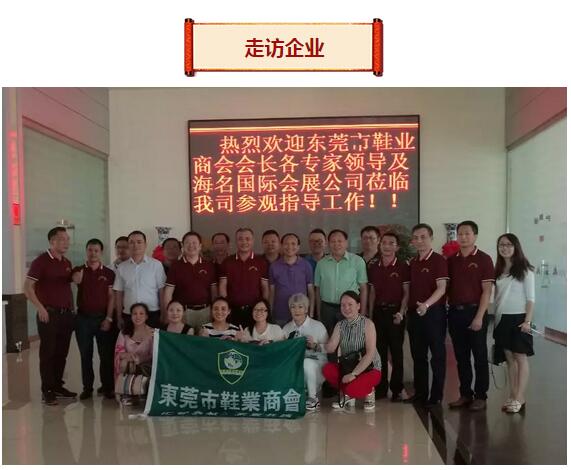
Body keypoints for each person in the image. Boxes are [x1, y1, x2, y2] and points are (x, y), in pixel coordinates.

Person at [24, 226, 77, 405]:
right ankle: (47, 390)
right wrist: (40, 308)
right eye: (62, 239)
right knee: (48, 353)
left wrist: (72, 310)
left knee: (62, 353)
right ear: (52, 241)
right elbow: (27, 288)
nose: (66, 242)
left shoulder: (66, 262)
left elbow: (66, 288)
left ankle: (57, 386)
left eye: (67, 239)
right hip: (49, 314)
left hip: (66, 315)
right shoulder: (41, 261)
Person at [447, 221, 495, 411]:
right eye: (460, 234)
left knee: (480, 356)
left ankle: (481, 395)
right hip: (455, 313)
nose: (463, 237)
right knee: (461, 357)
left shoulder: (484, 259)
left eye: (467, 233)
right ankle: (465, 394)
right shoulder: (451, 260)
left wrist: (479, 317)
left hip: (476, 312)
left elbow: (487, 291)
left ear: (475, 236)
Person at [405, 223, 449, 408]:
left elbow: (442, 288)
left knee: (437, 355)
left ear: (431, 238)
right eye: (416, 238)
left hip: (434, 314)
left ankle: (436, 395)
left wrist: (427, 305)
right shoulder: (413, 262)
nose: (419, 241)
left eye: (423, 237)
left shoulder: (438, 260)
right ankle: (420, 393)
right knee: (418, 356)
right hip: (415, 314)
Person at [493, 233, 535, 414]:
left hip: (520, 319)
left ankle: (520, 397)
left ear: (516, 247)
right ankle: (513, 395)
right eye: (501, 245)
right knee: (509, 359)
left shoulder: (525, 270)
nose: (505, 248)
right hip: (502, 318)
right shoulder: (498, 270)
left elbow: (531, 299)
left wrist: (527, 321)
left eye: (509, 245)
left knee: (520, 357)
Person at [71, 239, 117, 400]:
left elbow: (111, 297)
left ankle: (107, 387)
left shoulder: (109, 273)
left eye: (96, 250)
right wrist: (78, 275)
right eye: (90, 250)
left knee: (106, 355)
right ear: (86, 251)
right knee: (86, 355)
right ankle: (87, 388)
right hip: (83, 319)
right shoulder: (79, 269)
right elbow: (75, 279)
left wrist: (109, 318)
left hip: (102, 318)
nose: (93, 253)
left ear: (101, 252)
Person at [367, 232, 410, 401]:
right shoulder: (374, 267)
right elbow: (372, 292)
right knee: (379, 352)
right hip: (378, 313)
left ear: (397, 247)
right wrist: (370, 315)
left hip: (395, 313)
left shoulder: (403, 266)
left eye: (391, 243)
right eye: (384, 242)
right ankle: (381, 388)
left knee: (397, 352)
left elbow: (406, 293)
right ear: (380, 245)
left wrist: (401, 312)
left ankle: (397, 389)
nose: (386, 246)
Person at [322, 291, 382, 410]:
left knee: (352, 389)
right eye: (343, 305)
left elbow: (370, 354)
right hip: (348, 366)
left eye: (350, 304)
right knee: (327, 369)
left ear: (358, 306)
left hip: (369, 368)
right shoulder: (340, 325)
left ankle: (369, 392)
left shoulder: (368, 324)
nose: (346, 308)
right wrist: (315, 345)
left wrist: (354, 374)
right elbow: (331, 347)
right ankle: (348, 394)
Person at [314, 229, 368, 335]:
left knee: (349, 339)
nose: (336, 244)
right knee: (328, 338)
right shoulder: (321, 264)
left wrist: (362, 312)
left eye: (340, 241)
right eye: (333, 241)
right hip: (327, 309)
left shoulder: (357, 261)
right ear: (328, 243)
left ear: (346, 243)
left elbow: (363, 288)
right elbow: (318, 289)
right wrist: (319, 313)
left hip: (350, 309)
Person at [282, 293, 329, 411]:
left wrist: (315, 345)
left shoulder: (318, 326)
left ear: (306, 309)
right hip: (295, 365)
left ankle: (313, 398)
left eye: (300, 307)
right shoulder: (286, 328)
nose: (296, 310)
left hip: (317, 364)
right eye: (293, 307)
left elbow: (328, 348)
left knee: (306, 362)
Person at [163, 231, 217, 331]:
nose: (191, 245)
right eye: (187, 243)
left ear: (200, 246)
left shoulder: (209, 265)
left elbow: (214, 291)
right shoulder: (176, 266)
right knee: (185, 339)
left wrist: (214, 311)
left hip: (206, 311)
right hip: (183, 312)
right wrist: (167, 314)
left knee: (204, 339)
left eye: (194, 243)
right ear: (183, 246)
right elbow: (168, 293)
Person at [113, 230, 166, 329]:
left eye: (139, 242)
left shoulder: (156, 265)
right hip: (129, 314)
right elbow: (119, 294)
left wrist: (163, 313)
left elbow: (162, 291)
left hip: (152, 313)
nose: (135, 245)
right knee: (129, 339)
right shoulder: (122, 267)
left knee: (152, 339)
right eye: (131, 242)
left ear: (145, 244)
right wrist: (119, 317)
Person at [218, 228, 270, 329]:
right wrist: (226, 307)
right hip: (233, 310)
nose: (244, 242)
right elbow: (222, 286)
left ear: (253, 241)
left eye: (247, 239)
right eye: (240, 239)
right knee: (233, 336)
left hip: (255, 311)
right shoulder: (227, 262)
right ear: (236, 241)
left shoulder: (261, 262)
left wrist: (263, 308)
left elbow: (265, 287)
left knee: (253, 337)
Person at [269, 233, 314, 326]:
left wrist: (311, 313)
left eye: (293, 244)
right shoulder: (274, 266)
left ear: (298, 247)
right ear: (281, 246)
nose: (290, 247)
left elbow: (311, 292)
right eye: (286, 244)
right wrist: (270, 313)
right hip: (280, 315)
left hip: (301, 315)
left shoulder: (306, 265)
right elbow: (272, 293)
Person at [114, 303, 154, 405]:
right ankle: (125, 392)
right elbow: (119, 353)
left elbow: (153, 354)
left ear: (146, 316)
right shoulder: (124, 332)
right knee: (124, 362)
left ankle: (141, 393)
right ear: (131, 316)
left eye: (141, 313)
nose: (138, 316)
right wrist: (129, 356)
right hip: (128, 363)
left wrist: (140, 359)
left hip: (146, 365)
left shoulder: (153, 333)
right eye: (134, 314)